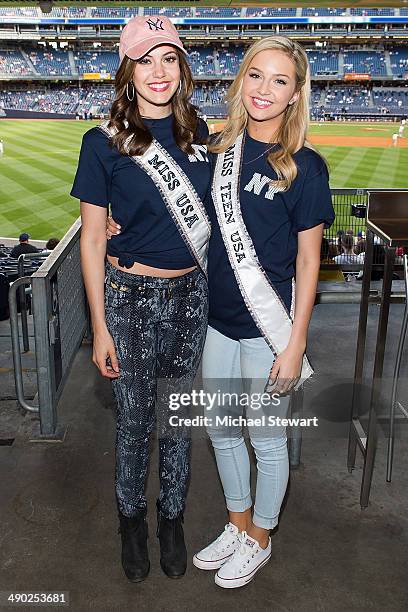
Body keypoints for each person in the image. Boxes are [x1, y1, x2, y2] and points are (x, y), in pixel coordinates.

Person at [107, 35, 335, 589]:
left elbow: (309, 262)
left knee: (266, 438)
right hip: (213, 320)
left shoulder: (304, 165)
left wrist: (296, 339)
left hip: (266, 327)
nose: (264, 89)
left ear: (294, 94)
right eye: (256, 74)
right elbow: (172, 203)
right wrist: (119, 222)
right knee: (222, 432)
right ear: (242, 80)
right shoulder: (217, 149)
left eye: (279, 80)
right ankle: (237, 524)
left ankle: (261, 536)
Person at [70, 15, 212, 584]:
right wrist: (99, 328)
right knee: (132, 422)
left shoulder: (199, 131)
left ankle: (171, 520)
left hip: (190, 296)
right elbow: (93, 237)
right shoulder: (102, 142)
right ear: (128, 70)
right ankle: (131, 522)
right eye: (147, 58)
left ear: (182, 67)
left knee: (177, 421)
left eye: (169, 57)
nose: (159, 71)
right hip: (129, 297)